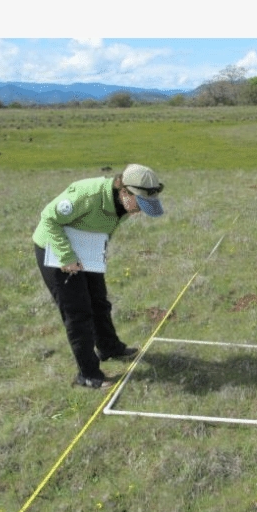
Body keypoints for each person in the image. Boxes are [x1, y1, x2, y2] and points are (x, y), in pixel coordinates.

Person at [33, 164, 165, 389]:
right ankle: (88, 374)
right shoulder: (88, 194)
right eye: (140, 203)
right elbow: (49, 218)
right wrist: (66, 257)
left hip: (87, 248)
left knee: (99, 302)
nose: (141, 210)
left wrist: (95, 253)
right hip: (54, 250)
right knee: (78, 312)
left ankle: (109, 348)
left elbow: (104, 228)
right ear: (124, 190)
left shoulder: (124, 205)